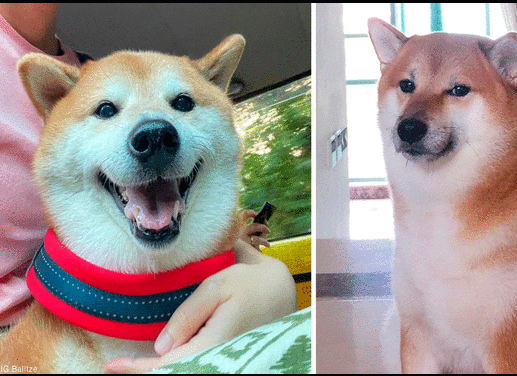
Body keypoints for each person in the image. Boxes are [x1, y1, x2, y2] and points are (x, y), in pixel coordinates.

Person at [0, 4, 296, 373]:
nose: (155, 130)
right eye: (107, 110)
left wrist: (268, 278)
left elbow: (211, 230)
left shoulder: (87, 71)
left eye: (182, 103)